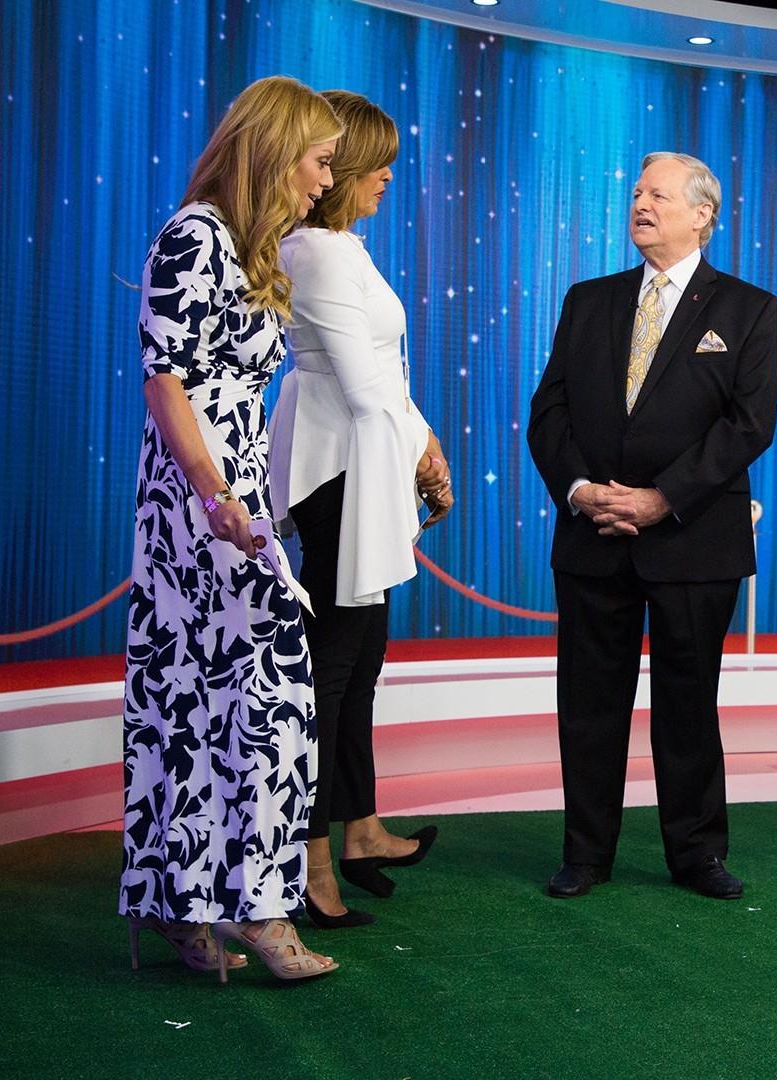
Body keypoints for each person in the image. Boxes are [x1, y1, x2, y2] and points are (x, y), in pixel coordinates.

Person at [120, 75, 342, 981]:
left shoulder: (249, 247)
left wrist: (250, 494)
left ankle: (197, 907)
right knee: (242, 703)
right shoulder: (194, 236)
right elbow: (164, 379)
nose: (326, 178)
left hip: (235, 496)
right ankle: (252, 907)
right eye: (320, 159)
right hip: (197, 502)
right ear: (275, 148)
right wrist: (216, 496)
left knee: (224, 705)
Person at [526, 152, 777, 901]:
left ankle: (696, 854)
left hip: (694, 541)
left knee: (688, 704)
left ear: (703, 213)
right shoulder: (588, 300)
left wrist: (662, 498)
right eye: (635, 192)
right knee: (589, 703)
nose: (640, 203)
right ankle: (586, 853)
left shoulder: (748, 309)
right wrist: (579, 490)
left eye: (658, 195)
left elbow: (748, 424)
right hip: (592, 536)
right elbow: (550, 412)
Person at [269, 89, 452, 929]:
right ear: (334, 167)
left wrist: (421, 446)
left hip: (363, 467)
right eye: (373, 160)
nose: (386, 176)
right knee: (331, 671)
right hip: (339, 472)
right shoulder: (318, 252)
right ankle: (305, 860)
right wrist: (424, 452)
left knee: (363, 656)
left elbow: (385, 382)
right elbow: (362, 381)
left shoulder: (340, 245)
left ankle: (360, 827)